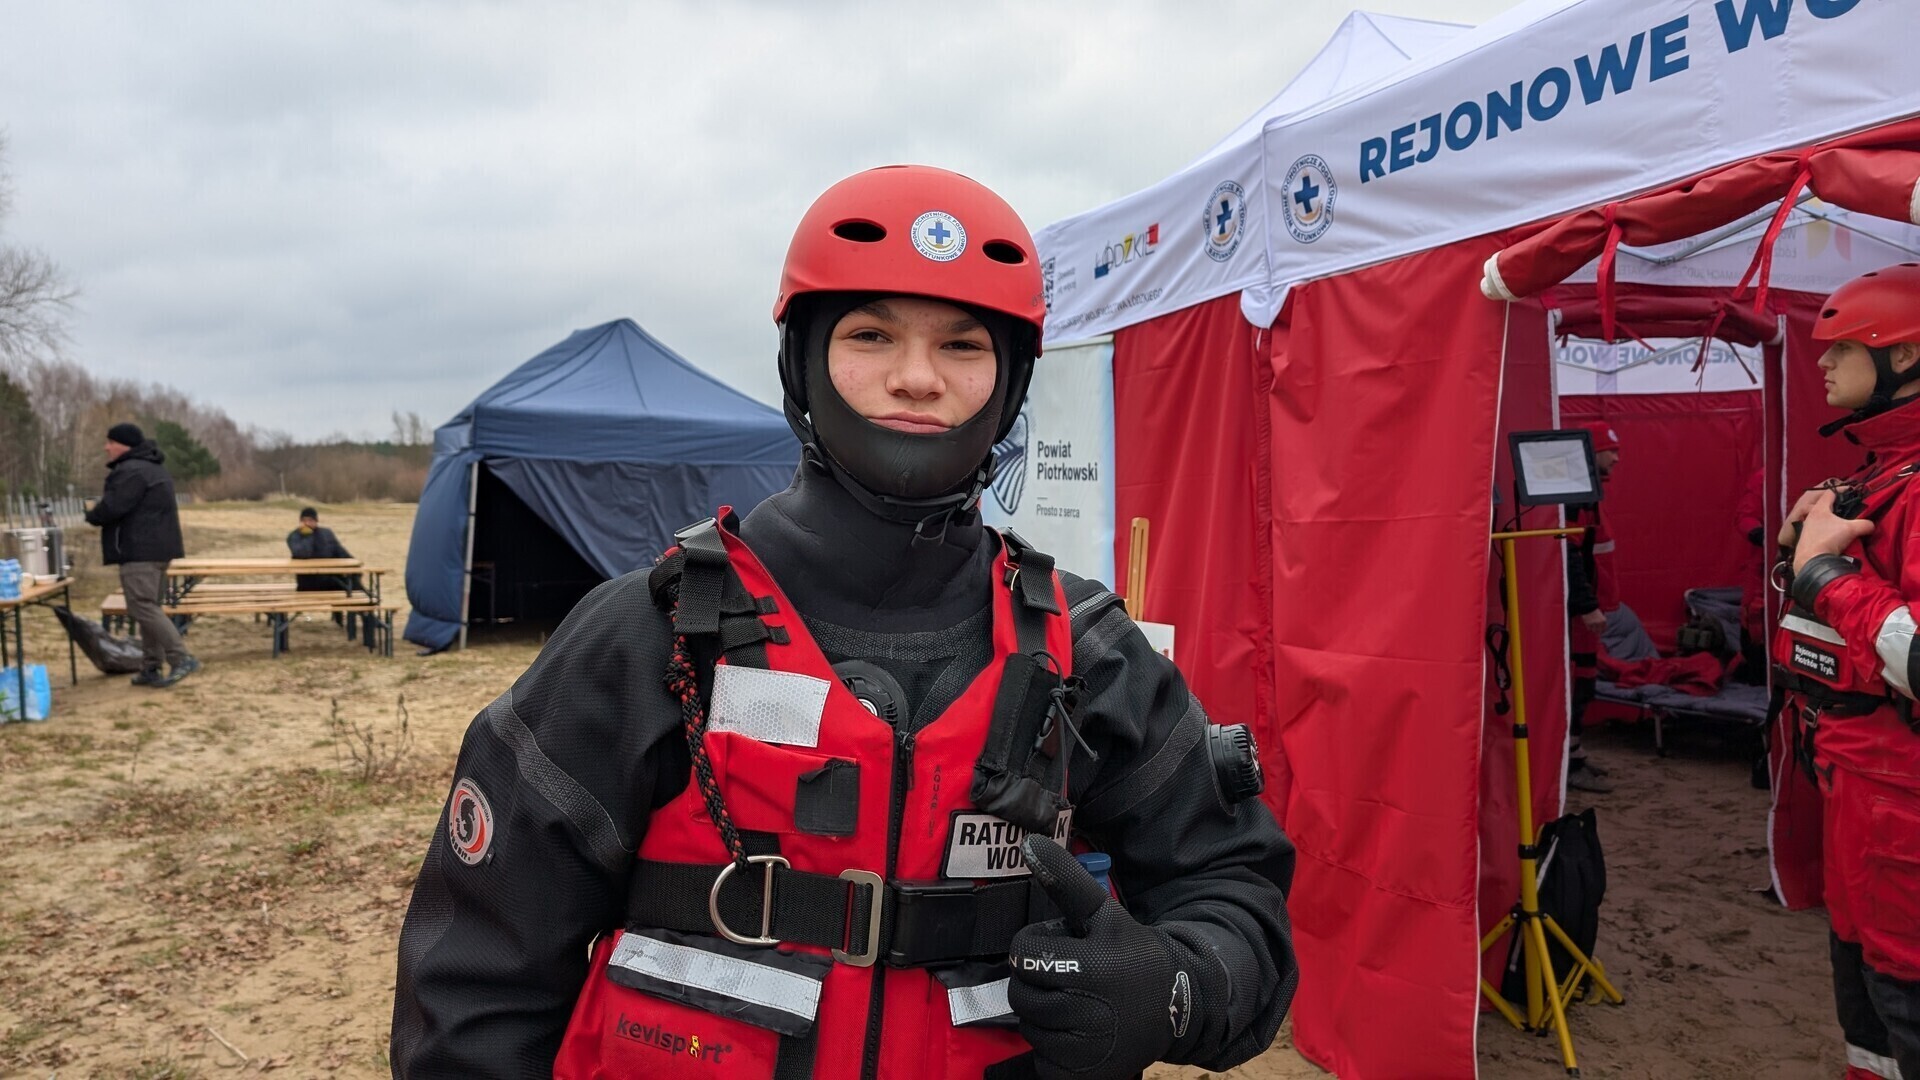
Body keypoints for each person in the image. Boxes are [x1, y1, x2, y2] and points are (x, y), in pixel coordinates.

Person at [391, 165, 1297, 1079]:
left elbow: (1235, 897)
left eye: (962, 346)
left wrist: (1176, 988)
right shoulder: (651, 636)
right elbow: (478, 984)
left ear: (1011, 381)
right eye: (871, 335)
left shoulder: (1089, 652)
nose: (916, 378)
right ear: (802, 362)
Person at [1774, 262, 1920, 1080]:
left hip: (1905, 806)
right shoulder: (1880, 475)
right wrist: (1798, 556)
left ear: (1904, 354)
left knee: (1905, 1001)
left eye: (1842, 348)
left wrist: (1828, 574)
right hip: (1856, 789)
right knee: (1864, 1010)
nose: (1823, 362)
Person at [82, 422, 199, 687]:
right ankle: (151, 667)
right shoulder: (153, 467)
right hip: (159, 550)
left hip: (140, 551)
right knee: (149, 608)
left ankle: (181, 658)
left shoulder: (131, 470)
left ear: (124, 445)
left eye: (110, 442)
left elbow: (113, 507)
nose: (106, 448)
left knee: (142, 607)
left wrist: (92, 513)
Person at [1565, 420, 1621, 794]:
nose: (1616, 458)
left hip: (1585, 610)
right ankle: (1568, 764)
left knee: (1585, 682)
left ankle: (1575, 754)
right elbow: (1568, 554)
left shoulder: (1588, 491)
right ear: (1591, 451)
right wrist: (1587, 607)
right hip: (1577, 613)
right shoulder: (1576, 495)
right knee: (1577, 684)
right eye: (1610, 451)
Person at [286, 507, 356, 592]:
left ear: (316, 521)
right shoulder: (294, 536)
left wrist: (354, 565)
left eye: (310, 520)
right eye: (304, 520)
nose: (307, 523)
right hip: (308, 582)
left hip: (331, 579)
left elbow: (340, 551)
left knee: (354, 584)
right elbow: (303, 554)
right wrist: (307, 535)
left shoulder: (326, 533)